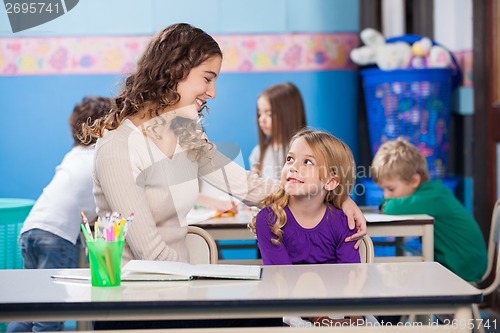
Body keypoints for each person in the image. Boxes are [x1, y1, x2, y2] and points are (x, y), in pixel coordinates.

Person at [81, 23, 366, 329]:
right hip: (135, 304)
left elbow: (244, 184)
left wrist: (334, 197)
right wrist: (204, 286)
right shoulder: (118, 146)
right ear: (176, 70)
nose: (213, 92)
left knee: (276, 319)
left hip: (179, 292)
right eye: (208, 78)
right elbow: (149, 251)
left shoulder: (184, 132)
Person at [7, 96, 112, 333]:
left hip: (31, 230)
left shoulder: (73, 154)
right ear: (106, 126)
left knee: (29, 306)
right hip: (57, 238)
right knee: (51, 314)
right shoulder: (99, 156)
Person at [250, 128, 364, 326]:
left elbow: (350, 280)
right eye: (290, 159)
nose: (293, 167)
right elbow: (283, 281)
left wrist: (349, 318)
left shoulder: (344, 221)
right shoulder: (269, 220)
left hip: (337, 307)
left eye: (307, 162)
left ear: (330, 181)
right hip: (289, 312)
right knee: (306, 279)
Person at [370, 137, 487, 282]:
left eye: (391, 189)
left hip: (461, 269)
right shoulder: (430, 193)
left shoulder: (432, 197)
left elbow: (391, 208)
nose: (386, 195)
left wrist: (386, 203)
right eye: (383, 190)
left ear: (414, 181)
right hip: (460, 263)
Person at [249, 82, 307, 179]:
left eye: (269, 114)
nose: (261, 119)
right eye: (259, 114)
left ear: (289, 115)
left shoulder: (305, 152)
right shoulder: (258, 153)